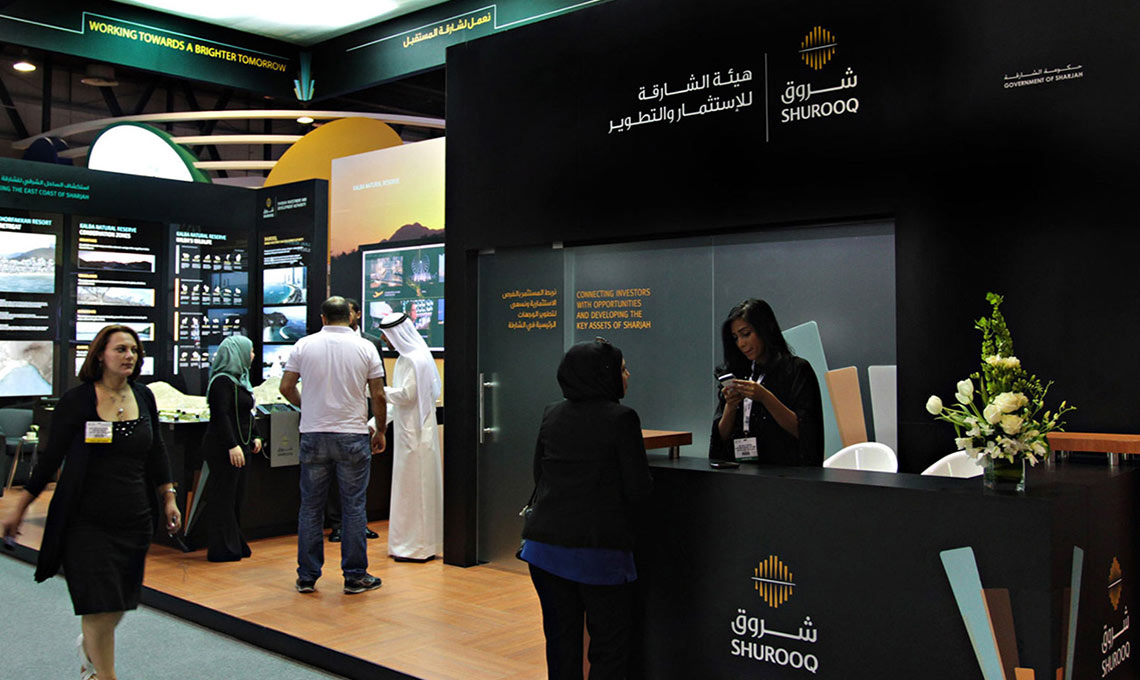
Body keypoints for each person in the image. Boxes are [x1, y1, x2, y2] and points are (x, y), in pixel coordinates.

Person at [0, 325, 181, 680]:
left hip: (134, 518)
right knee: (98, 603)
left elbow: (157, 450)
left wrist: (169, 496)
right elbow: (50, 459)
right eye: (121, 349)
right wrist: (20, 506)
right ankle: (103, 675)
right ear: (100, 355)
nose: (129, 356)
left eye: (133, 350)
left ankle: (90, 650)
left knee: (119, 603)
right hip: (85, 521)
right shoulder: (78, 401)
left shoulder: (144, 397)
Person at [519, 339, 653, 680]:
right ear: (604, 374)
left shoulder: (552, 413)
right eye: (622, 368)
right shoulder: (622, 418)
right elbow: (638, 490)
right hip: (598, 553)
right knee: (608, 648)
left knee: (561, 645)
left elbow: (539, 474)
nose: (628, 375)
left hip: (544, 550)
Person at [279, 296, 387, 595]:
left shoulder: (303, 345)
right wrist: (380, 429)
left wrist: (307, 407)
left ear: (323, 318)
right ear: (351, 318)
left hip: (314, 434)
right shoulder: (366, 347)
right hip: (352, 433)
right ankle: (355, 576)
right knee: (354, 507)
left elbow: (286, 387)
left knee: (310, 508)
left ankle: (307, 576)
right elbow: (378, 395)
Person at [708, 298, 823, 465]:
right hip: (739, 470)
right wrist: (730, 406)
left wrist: (765, 397)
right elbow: (720, 439)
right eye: (735, 338)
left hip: (783, 473)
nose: (741, 343)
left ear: (765, 330)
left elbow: (806, 432)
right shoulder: (737, 373)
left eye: (746, 334)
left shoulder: (797, 370)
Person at [376, 312, 443, 562]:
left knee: (417, 489)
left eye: (386, 334)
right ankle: (407, 544)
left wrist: (376, 390)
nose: (384, 339)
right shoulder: (408, 358)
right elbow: (400, 402)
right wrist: (376, 423)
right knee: (407, 490)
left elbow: (407, 395)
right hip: (408, 433)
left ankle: (418, 547)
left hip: (417, 435)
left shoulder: (416, 359)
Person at [324, 298, 381, 544]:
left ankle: (359, 524)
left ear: (357, 314)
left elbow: (378, 387)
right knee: (336, 479)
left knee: (360, 480)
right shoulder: (323, 342)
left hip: (362, 416)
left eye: (350, 312)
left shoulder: (371, 342)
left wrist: (377, 422)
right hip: (334, 418)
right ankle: (337, 524)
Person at [202, 334, 262, 562]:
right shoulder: (221, 381)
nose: (253, 355)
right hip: (224, 448)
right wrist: (232, 445)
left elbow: (247, 413)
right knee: (223, 496)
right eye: (250, 350)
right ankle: (222, 547)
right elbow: (221, 416)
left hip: (241, 446)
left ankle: (234, 541)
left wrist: (255, 436)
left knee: (236, 497)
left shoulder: (241, 380)